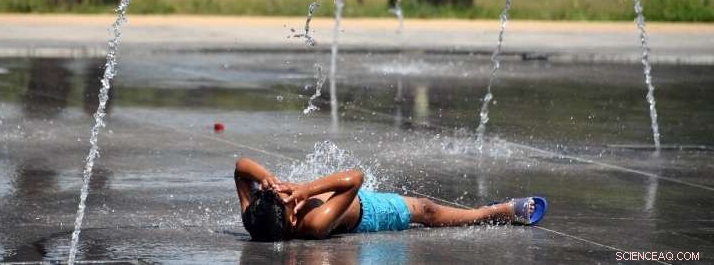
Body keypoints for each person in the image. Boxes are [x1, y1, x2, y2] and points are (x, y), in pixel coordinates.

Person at [234, 157, 547, 241]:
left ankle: (489, 212)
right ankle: (493, 213)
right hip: (370, 213)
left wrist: (267, 180)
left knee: (425, 206)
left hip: (349, 197)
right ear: (291, 222)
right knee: (426, 209)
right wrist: (305, 190)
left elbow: (240, 168)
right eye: (290, 203)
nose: (291, 196)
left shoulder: (255, 218)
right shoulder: (313, 223)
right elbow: (355, 179)